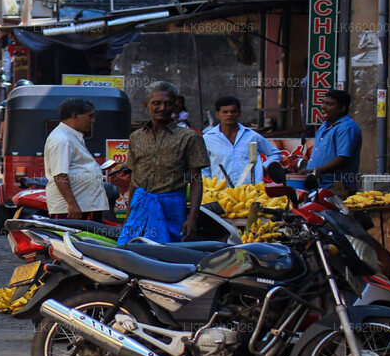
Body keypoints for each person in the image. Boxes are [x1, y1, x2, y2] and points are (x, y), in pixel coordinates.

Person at [118, 81, 210, 245]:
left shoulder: (189, 137)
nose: (162, 108)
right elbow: (134, 178)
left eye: (168, 103)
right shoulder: (136, 137)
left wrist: (192, 217)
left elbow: (196, 179)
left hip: (171, 207)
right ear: (146, 105)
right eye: (156, 103)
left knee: (166, 253)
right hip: (140, 206)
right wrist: (128, 214)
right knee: (128, 250)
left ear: (175, 106)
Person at [44, 98, 108, 221]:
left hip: (84, 206)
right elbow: (60, 175)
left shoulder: (72, 136)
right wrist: (72, 203)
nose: (92, 120)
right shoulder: (62, 139)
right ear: (74, 116)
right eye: (89, 116)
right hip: (72, 209)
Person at [202, 96, 279, 185]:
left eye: (233, 111)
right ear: (217, 114)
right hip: (220, 190)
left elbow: (275, 154)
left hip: (251, 189)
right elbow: (204, 168)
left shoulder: (252, 136)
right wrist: (209, 185)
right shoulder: (208, 139)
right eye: (225, 112)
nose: (229, 115)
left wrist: (264, 167)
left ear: (239, 113)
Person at [298, 89, 363, 191]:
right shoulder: (324, 126)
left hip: (337, 187)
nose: (323, 107)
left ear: (342, 108)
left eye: (329, 104)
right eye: (323, 103)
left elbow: (343, 158)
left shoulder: (347, 127)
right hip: (319, 186)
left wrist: (315, 171)